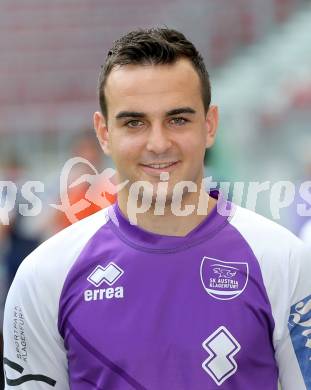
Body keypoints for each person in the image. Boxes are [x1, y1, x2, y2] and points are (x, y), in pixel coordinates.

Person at [2, 28, 310, 390]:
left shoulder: (283, 260)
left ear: (209, 125)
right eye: (134, 122)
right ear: (103, 133)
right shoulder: (44, 275)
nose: (159, 143)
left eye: (178, 119)